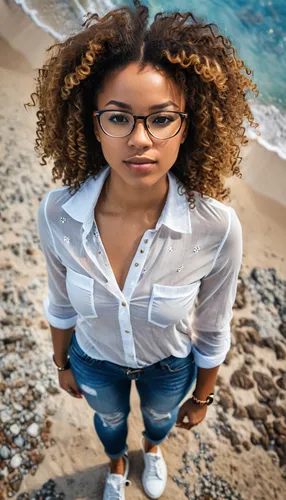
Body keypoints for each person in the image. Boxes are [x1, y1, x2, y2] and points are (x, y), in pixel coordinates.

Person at [31, 2, 259, 499]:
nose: (140, 140)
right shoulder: (58, 214)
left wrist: (202, 396)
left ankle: (151, 453)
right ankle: (117, 464)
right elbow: (60, 303)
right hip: (93, 360)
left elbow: (213, 326)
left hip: (170, 367)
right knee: (108, 420)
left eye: (161, 119)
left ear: (188, 125)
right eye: (119, 118)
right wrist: (62, 363)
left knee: (158, 421)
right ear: (94, 124)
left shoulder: (216, 228)